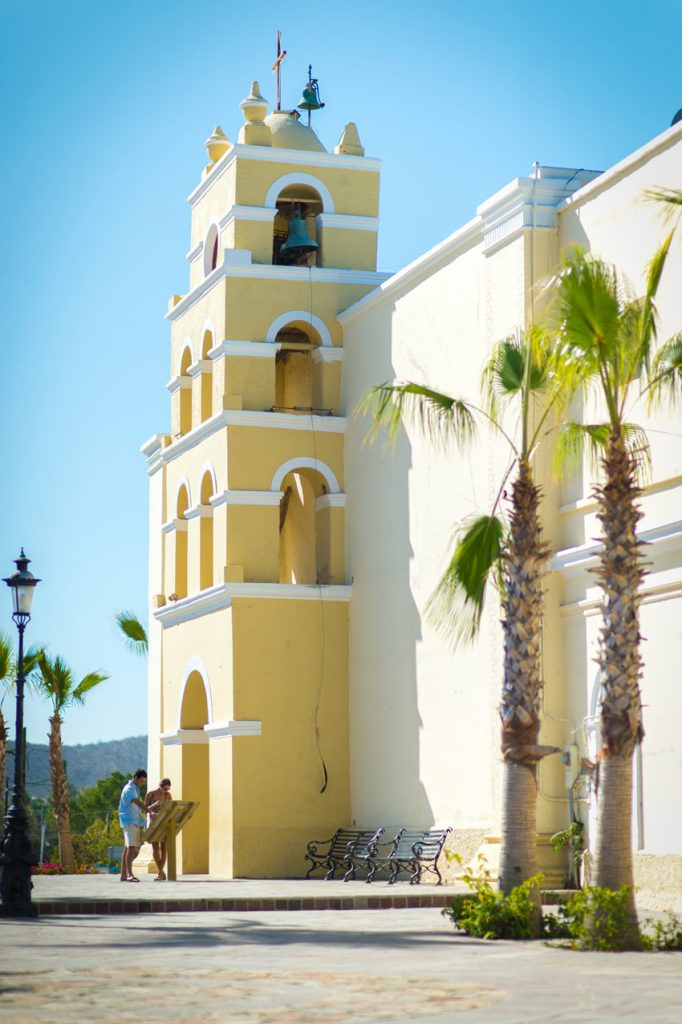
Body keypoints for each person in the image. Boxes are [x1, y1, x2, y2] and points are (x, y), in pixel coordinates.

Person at [118, 769, 148, 882]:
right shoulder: (129, 789)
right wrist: (148, 810)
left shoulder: (135, 789)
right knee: (131, 848)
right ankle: (130, 874)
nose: (141, 783)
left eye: (143, 782)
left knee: (127, 847)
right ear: (135, 777)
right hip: (128, 821)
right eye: (140, 781)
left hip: (134, 821)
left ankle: (124, 874)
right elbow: (137, 802)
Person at [144, 777, 173, 880]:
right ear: (160, 786)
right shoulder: (150, 794)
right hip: (154, 823)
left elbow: (171, 808)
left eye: (168, 789)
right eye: (165, 789)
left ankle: (160, 873)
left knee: (164, 847)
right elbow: (145, 809)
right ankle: (161, 871)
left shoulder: (168, 795)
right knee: (155, 847)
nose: (166, 791)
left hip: (164, 823)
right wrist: (155, 804)